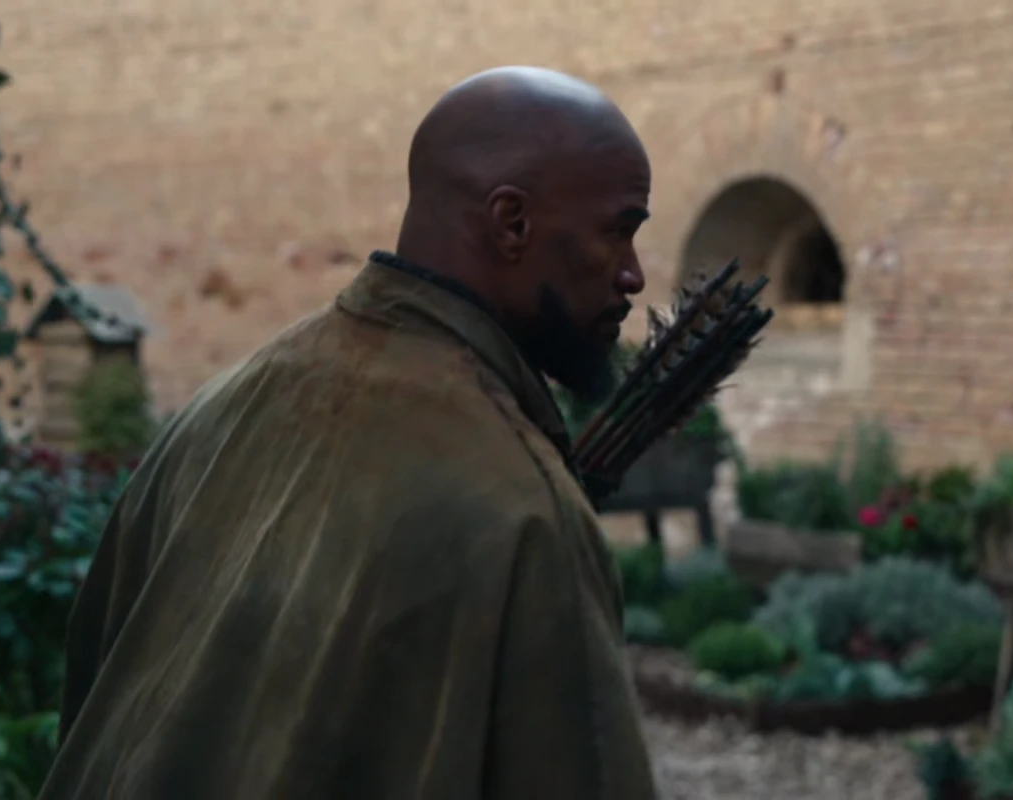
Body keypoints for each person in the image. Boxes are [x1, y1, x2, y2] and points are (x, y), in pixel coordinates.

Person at [37, 66, 660, 799]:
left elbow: (89, 701)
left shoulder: (215, 412)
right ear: (511, 223)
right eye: (619, 231)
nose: (633, 276)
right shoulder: (525, 512)